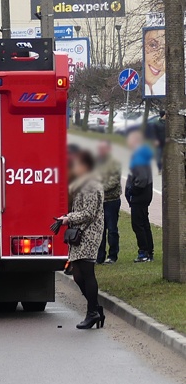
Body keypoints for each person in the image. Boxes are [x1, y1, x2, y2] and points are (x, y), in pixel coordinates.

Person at [59, 150, 105, 330]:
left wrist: (68, 218)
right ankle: (95, 309)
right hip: (80, 233)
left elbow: (89, 213)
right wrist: (67, 217)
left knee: (86, 273)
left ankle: (92, 312)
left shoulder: (92, 184)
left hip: (89, 233)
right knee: (77, 275)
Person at [125, 129, 154, 262]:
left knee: (138, 225)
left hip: (139, 197)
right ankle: (149, 250)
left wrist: (132, 190)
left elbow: (141, 179)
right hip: (143, 196)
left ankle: (144, 252)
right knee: (144, 223)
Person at [95, 141, 121, 265]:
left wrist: (99, 188)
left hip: (111, 200)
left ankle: (113, 255)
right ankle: (100, 256)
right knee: (100, 229)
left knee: (112, 229)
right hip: (100, 201)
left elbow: (114, 181)